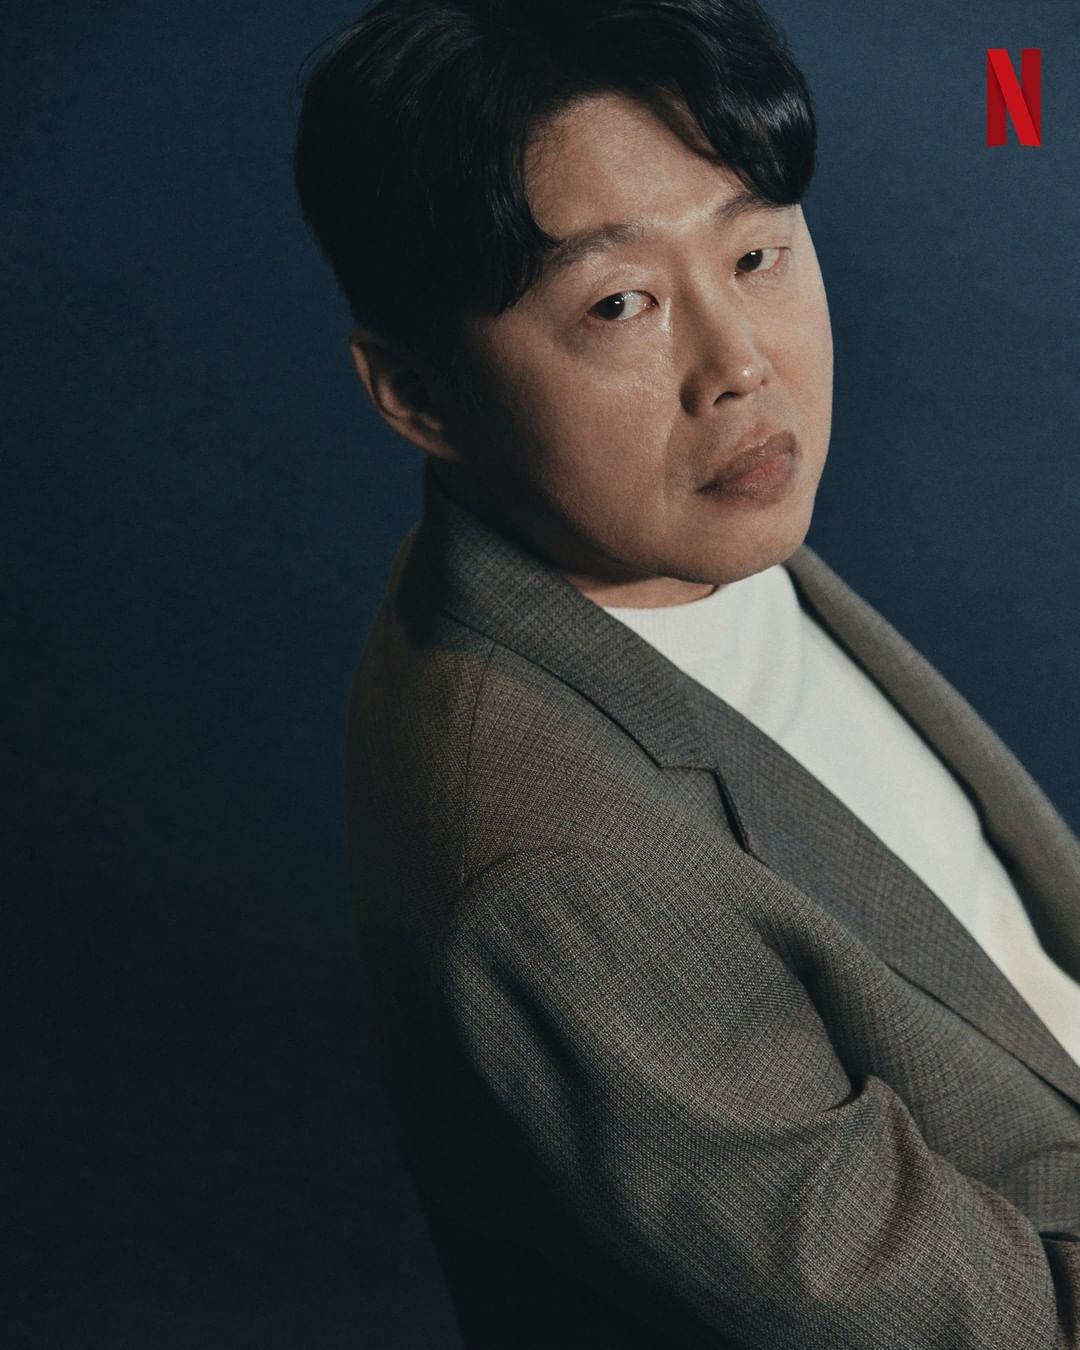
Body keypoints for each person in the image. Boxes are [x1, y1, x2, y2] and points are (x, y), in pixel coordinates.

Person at [293, 0, 1080, 1344]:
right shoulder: (557, 874)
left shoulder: (674, 532)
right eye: (621, 304)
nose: (740, 365)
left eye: (756, 253)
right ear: (420, 395)